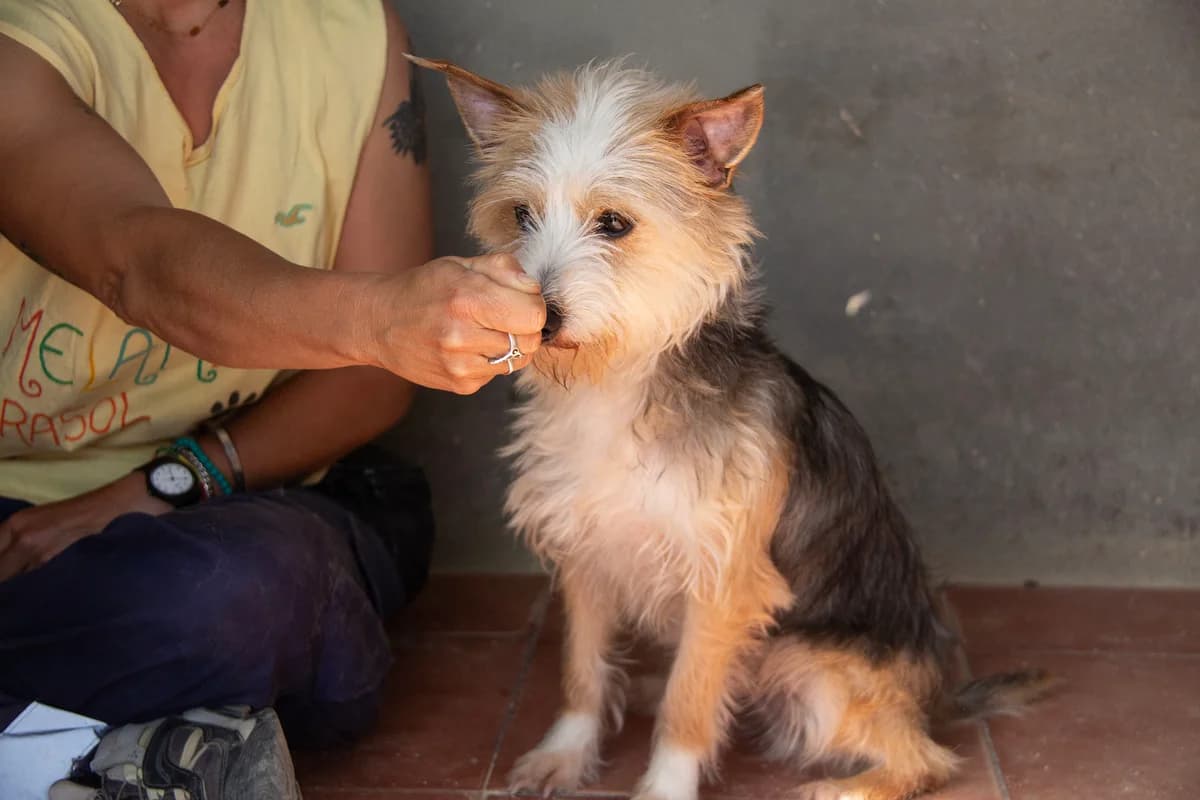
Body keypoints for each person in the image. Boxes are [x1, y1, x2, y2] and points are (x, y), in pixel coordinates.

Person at [0, 0, 545, 796]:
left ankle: (57, 739)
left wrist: (160, 486)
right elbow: (135, 262)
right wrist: (384, 314)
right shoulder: (25, 34)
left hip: (232, 501)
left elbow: (368, 381)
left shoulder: (347, 29)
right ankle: (118, 749)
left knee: (241, 593)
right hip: (14, 504)